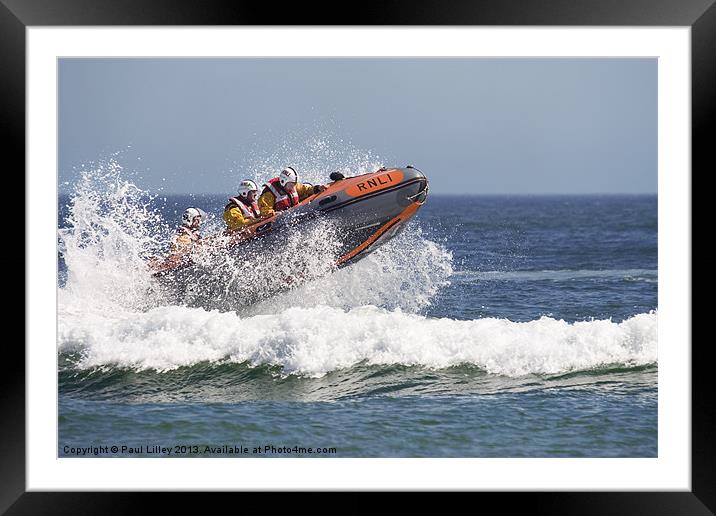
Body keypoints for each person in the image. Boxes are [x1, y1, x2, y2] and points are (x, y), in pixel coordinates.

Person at [258, 166, 326, 218]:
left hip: (295, 214)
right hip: (281, 221)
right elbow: (265, 210)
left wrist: (317, 188)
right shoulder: (269, 193)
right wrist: (274, 214)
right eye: (291, 185)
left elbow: (306, 190)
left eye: (294, 184)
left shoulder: (295, 186)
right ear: (283, 182)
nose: (293, 187)